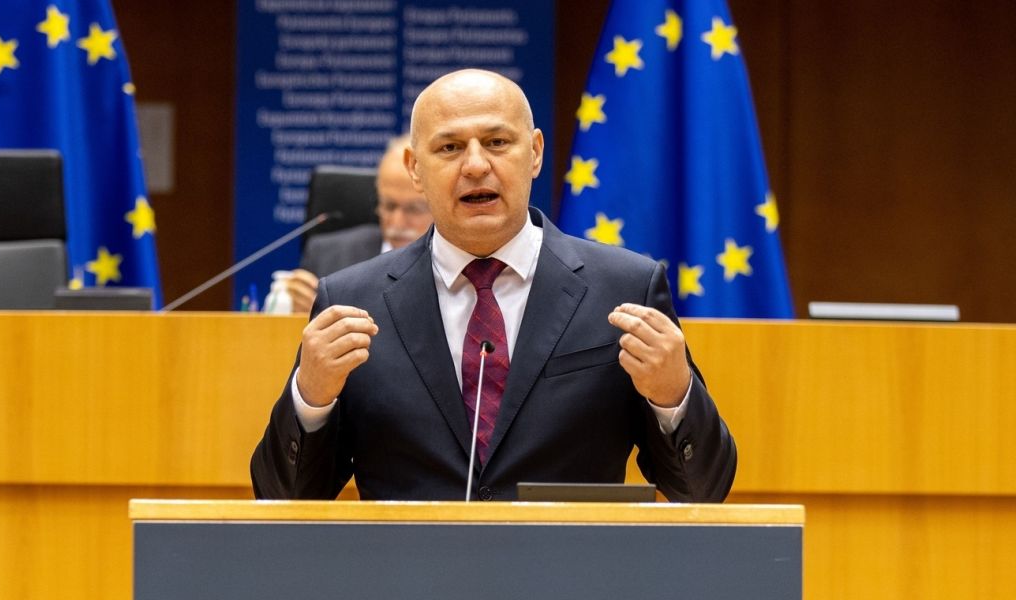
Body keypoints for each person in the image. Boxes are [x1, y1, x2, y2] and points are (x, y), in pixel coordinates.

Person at [251, 69, 736, 502]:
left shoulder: (624, 286)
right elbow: (282, 499)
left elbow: (702, 490)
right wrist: (311, 399)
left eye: (497, 142)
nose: (476, 165)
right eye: (449, 147)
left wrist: (672, 396)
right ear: (415, 168)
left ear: (535, 153)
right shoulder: (352, 299)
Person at [281, 134, 433, 315]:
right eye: (389, 206)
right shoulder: (326, 257)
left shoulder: (455, 267)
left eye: (414, 209)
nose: (397, 223)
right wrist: (300, 311)